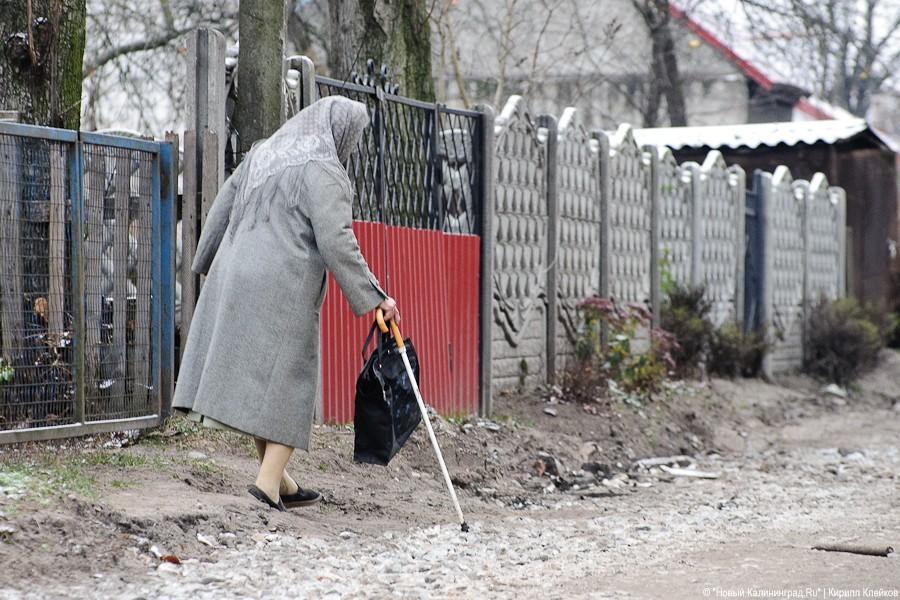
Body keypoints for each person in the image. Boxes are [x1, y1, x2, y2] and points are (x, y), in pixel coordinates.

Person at [173, 96, 399, 511]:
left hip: (235, 271)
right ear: (339, 131)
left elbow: (221, 206)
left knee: (265, 379)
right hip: (283, 281)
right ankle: (267, 484)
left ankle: (284, 481)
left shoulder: (264, 153)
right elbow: (336, 240)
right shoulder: (325, 169)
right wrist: (375, 297)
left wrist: (203, 262)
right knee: (290, 382)